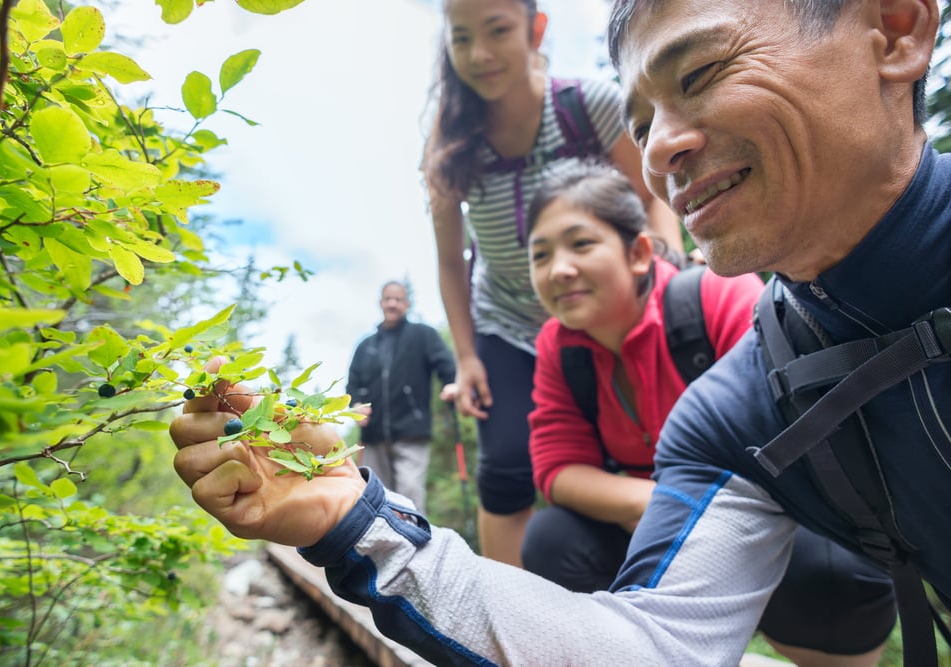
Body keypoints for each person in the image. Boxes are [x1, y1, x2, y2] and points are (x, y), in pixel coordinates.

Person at [170, 1, 951, 664]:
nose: (659, 151)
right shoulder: (738, 409)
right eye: (642, 123)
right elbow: (649, 642)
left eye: (702, 72)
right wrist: (356, 523)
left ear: (895, 27)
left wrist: (672, 261)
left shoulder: (716, 322)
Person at [521, 161, 894, 664]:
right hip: (650, 517)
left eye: (580, 244)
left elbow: (795, 427)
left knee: (833, 575)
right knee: (552, 540)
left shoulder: (715, 295)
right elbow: (558, 469)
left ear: (638, 253)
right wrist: (658, 505)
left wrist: (690, 514)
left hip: (764, 511)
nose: (557, 269)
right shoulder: (558, 349)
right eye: (540, 255)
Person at [422, 0, 682, 566]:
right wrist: (466, 357)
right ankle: (503, 631)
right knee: (507, 463)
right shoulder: (449, 142)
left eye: (497, 31)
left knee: (632, 457)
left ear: (535, 29)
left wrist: (670, 282)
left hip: (607, 317)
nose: (479, 54)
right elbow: (449, 261)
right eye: (461, 38)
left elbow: (654, 198)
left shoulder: (587, 106)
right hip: (509, 324)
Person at [346, 281, 457, 512]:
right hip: (374, 435)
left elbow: (446, 364)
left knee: (410, 494)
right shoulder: (365, 346)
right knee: (376, 497)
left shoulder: (423, 335)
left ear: (407, 304)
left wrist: (451, 385)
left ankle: (416, 544)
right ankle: (379, 548)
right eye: (388, 299)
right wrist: (355, 405)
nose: (392, 304)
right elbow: (352, 384)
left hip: (411, 432)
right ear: (381, 303)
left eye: (398, 299)